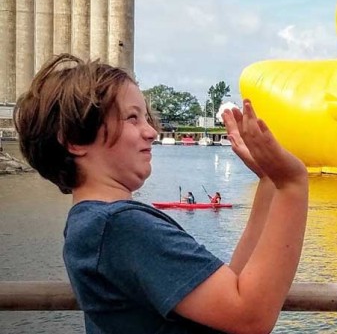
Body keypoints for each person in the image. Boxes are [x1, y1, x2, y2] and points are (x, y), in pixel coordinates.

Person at [13, 54, 309, 334]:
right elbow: (250, 317)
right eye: (132, 118)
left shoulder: (93, 224)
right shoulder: (119, 227)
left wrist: (270, 182)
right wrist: (293, 183)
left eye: (146, 117)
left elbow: (233, 290)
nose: (151, 132)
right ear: (76, 139)